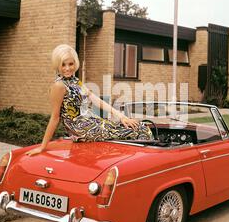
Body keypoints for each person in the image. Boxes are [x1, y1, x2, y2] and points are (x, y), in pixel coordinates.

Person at [25, 44, 153, 156]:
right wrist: (43, 146)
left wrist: (122, 117)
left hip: (92, 122)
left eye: (71, 63)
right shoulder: (59, 86)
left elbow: (96, 100)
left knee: (139, 126)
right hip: (82, 128)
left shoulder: (75, 81)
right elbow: (55, 117)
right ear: (57, 65)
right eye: (63, 64)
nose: (67, 68)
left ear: (75, 63)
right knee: (141, 130)